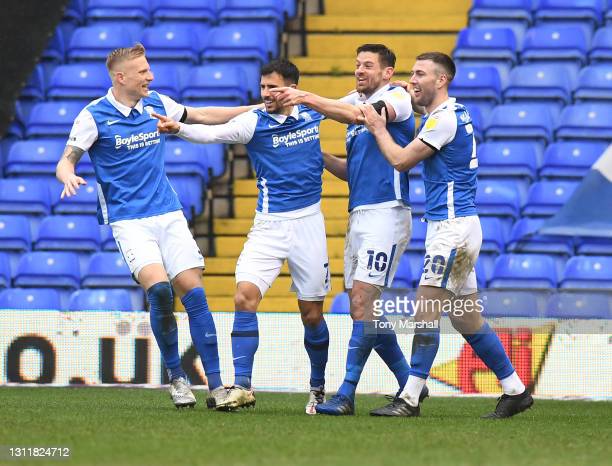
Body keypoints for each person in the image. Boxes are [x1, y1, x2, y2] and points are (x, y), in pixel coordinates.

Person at [56, 43, 256, 410]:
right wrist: (69, 175)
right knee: (161, 291)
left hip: (168, 213)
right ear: (121, 77)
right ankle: (177, 377)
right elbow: (66, 161)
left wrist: (255, 109)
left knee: (194, 293)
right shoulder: (93, 116)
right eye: (143, 71)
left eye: (149, 70)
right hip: (129, 221)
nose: (151, 76)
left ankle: (216, 388)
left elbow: (204, 116)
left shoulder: (158, 103)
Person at [360, 51, 534, 418]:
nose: (413, 80)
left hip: (452, 232)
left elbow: (401, 160)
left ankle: (409, 399)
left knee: (425, 312)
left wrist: (377, 127)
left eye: (420, 74)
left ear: (442, 80)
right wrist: (406, 93)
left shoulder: (442, 121)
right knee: (465, 317)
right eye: (411, 73)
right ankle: (515, 390)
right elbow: (423, 113)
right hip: (458, 227)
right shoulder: (450, 113)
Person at [153, 59, 332, 414]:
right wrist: (179, 129)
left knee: (312, 314)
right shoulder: (254, 121)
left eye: (273, 87)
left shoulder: (314, 112)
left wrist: (397, 90)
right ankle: (244, 386)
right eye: (262, 87)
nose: (265, 94)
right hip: (268, 225)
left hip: (309, 224)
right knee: (244, 296)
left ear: (292, 88)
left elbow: (356, 103)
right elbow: (212, 133)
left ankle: (317, 387)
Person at [272, 44, 428, 415]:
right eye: (357, 63)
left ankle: (345, 393)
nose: (359, 70)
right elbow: (350, 171)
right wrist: (320, 156)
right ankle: (411, 385)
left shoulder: (397, 100)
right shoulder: (354, 103)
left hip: (387, 213)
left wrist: (305, 96)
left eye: (368, 65)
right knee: (364, 310)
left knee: (361, 301)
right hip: (360, 215)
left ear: (389, 72)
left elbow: (356, 116)